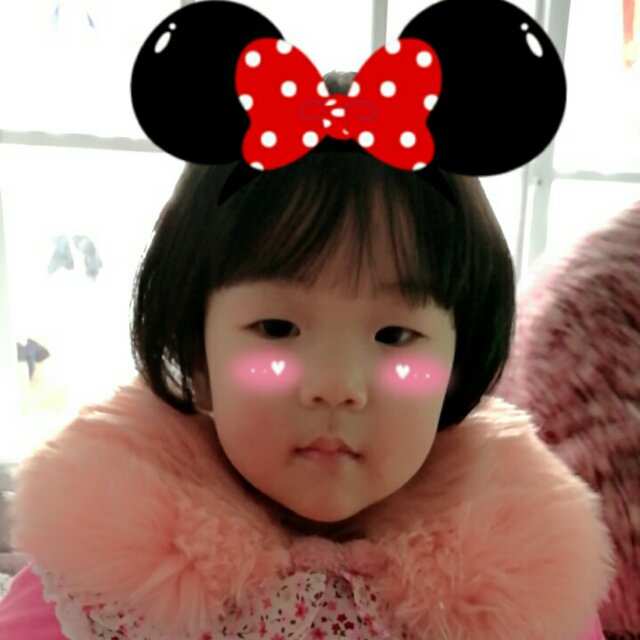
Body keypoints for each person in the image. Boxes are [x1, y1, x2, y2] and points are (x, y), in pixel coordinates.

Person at [0, 1, 616, 636]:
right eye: (277, 330)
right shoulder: (95, 594)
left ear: (458, 366)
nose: (336, 385)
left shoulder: (528, 596)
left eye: (394, 335)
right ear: (197, 353)